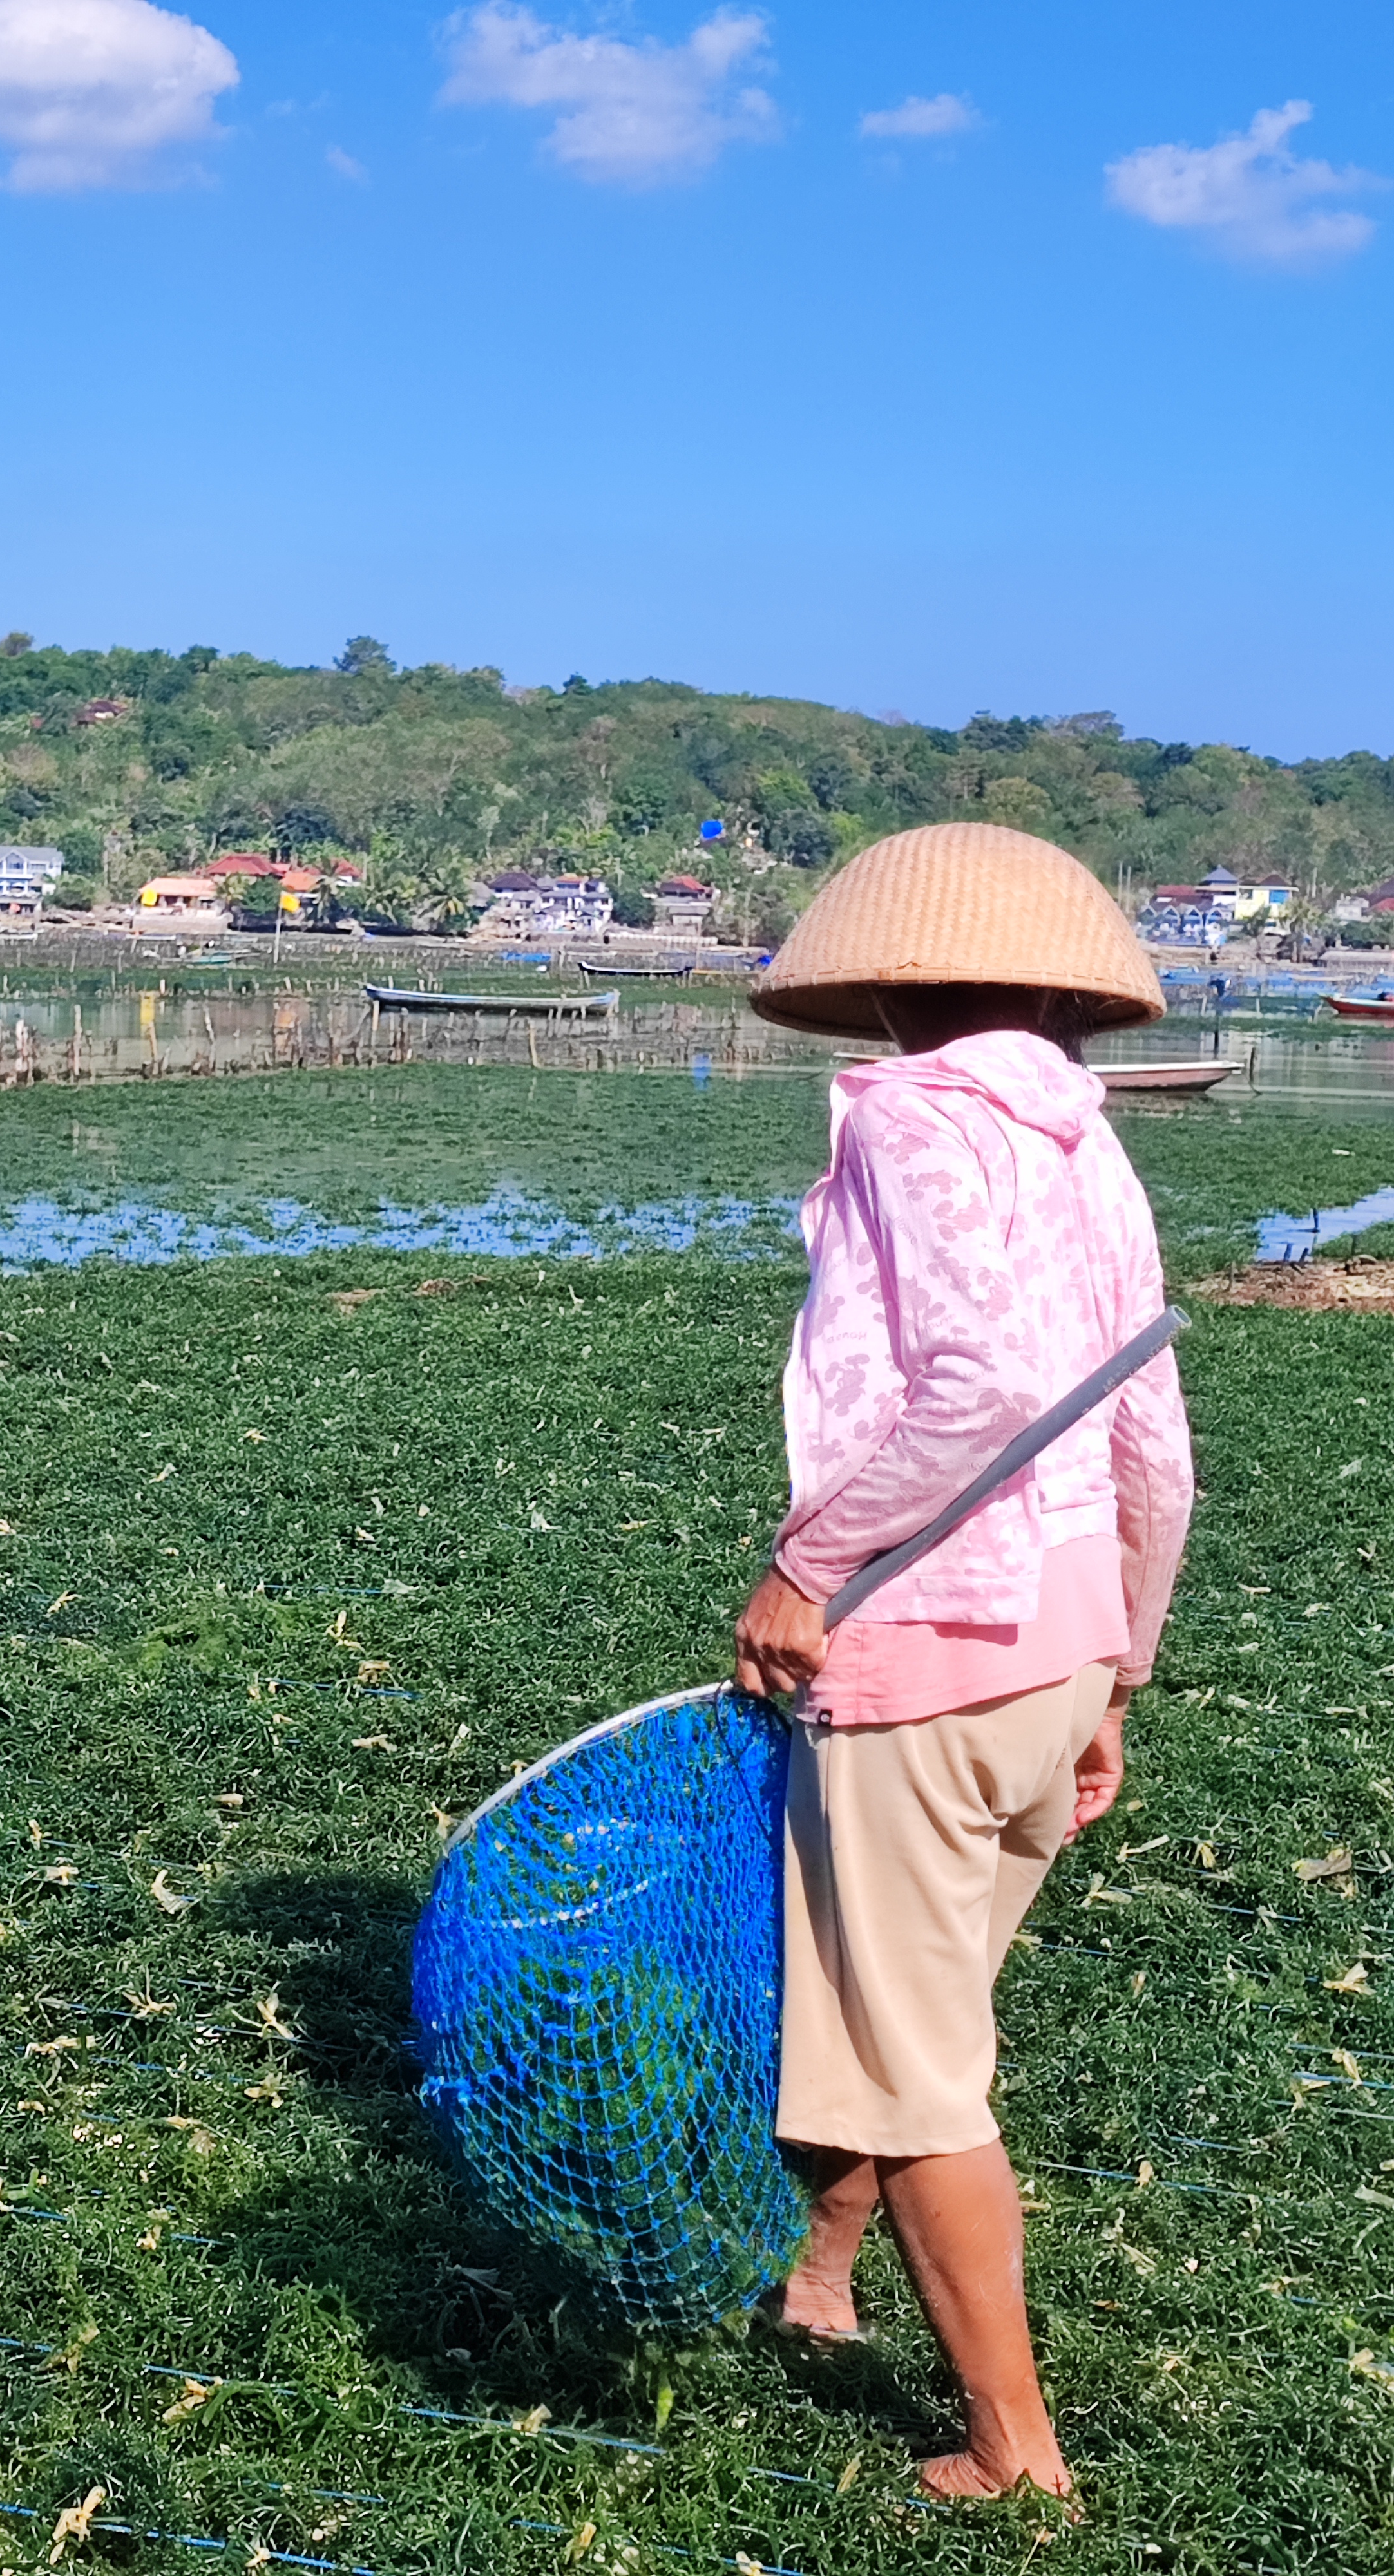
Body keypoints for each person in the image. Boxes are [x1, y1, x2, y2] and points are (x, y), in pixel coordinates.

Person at [734, 822, 1194, 2503]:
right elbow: (1151, 1429)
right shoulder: (1091, 1148)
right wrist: (1117, 1668)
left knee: (915, 2062)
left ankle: (1016, 2449)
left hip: (926, 1651)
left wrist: (809, 1564)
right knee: (918, 2011)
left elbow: (984, 1385)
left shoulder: (917, 1119)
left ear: (902, 984)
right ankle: (821, 2281)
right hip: (1058, 1643)